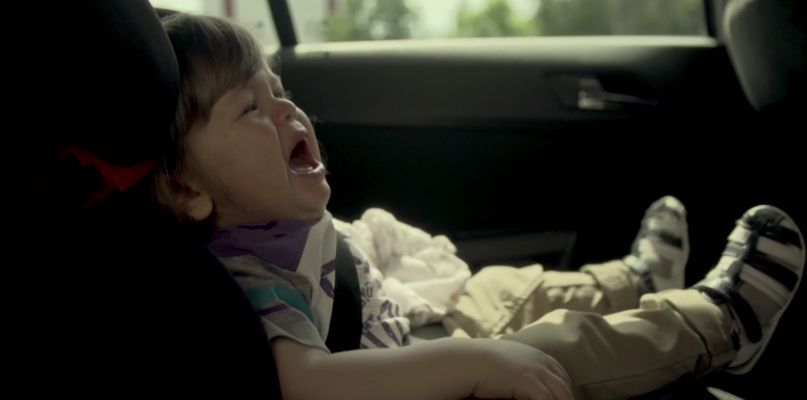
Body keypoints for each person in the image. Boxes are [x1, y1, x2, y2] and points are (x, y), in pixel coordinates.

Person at [152, 13, 805, 400]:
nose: (287, 110)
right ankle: (722, 325)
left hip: (417, 324)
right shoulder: (252, 282)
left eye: (280, 89)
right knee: (558, 346)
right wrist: (474, 361)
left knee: (502, 287)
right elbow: (310, 383)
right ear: (187, 189)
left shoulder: (283, 223)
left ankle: (634, 280)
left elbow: (358, 258)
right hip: (427, 373)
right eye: (251, 108)